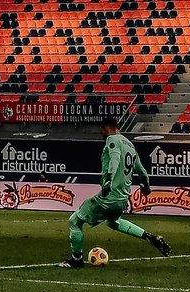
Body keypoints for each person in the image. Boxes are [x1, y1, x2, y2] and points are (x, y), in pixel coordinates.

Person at [61, 111, 170, 267]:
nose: (101, 134)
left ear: (106, 128)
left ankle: (76, 260)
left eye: (101, 130)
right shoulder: (130, 145)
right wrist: (146, 188)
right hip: (122, 199)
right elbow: (143, 172)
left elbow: (115, 158)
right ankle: (149, 236)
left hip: (109, 195)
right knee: (113, 222)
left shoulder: (112, 140)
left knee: (75, 221)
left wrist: (110, 180)